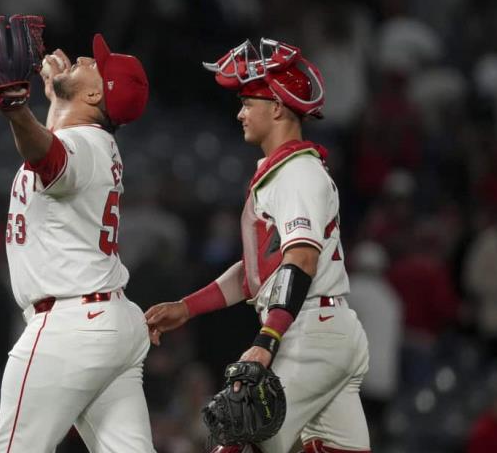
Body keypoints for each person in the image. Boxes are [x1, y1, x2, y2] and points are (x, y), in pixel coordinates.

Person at [145, 39, 371, 453]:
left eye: (249, 102)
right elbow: (257, 277)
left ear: (278, 108)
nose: (240, 112)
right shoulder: (285, 172)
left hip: (309, 331)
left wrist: (266, 340)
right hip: (321, 326)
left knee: (240, 433)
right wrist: (187, 307)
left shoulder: (297, 172)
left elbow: (301, 259)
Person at [0, 33, 156, 452]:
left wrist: (16, 109)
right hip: (109, 322)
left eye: (94, 63)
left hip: (71, 325)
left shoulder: (82, 147)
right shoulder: (95, 143)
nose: (82, 56)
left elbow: (50, 158)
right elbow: (55, 146)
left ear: (96, 93)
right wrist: (55, 102)